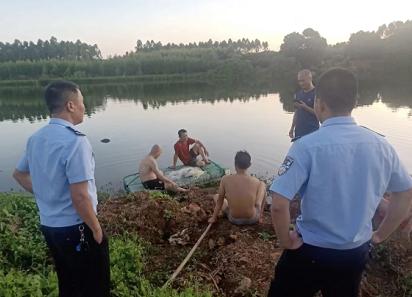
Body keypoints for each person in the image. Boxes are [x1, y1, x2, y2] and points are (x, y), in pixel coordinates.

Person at [267, 68, 412, 297]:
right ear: (354, 101)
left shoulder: (305, 146)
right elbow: (405, 193)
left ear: (319, 103)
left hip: (310, 251)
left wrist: (285, 240)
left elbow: (278, 203)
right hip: (354, 253)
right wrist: (379, 235)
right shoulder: (381, 145)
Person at [13, 80, 110, 297]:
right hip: (77, 228)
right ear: (70, 105)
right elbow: (80, 196)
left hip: (50, 226)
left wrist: (46, 194)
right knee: (95, 286)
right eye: (82, 101)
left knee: (68, 282)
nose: (85, 106)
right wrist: (96, 229)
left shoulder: (35, 139)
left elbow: (18, 174)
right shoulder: (75, 142)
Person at [209, 151, 266, 225]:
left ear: (235, 164)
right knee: (263, 185)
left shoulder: (225, 179)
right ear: (249, 165)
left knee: (216, 196)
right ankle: (260, 215)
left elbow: (220, 202)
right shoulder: (256, 181)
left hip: (233, 219)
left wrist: (213, 218)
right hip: (252, 219)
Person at [289, 69, 319, 141]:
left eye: (303, 80)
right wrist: (292, 128)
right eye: (299, 81)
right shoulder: (298, 94)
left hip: (312, 131)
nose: (301, 83)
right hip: (299, 131)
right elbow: (296, 113)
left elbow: (319, 114)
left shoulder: (317, 94)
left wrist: (305, 107)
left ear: (310, 79)